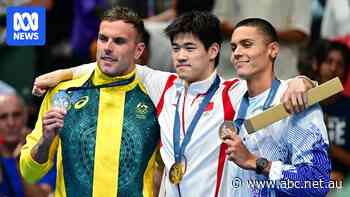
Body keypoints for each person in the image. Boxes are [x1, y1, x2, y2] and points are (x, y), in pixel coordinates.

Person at [32, 12, 315, 196]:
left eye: (190, 48)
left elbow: (277, 86)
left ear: (213, 51)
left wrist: (302, 81)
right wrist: (61, 74)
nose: (180, 56)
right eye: (176, 48)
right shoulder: (162, 85)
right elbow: (111, 62)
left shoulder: (233, 91)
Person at [20, 6, 160, 197]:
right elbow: (29, 173)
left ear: (138, 51)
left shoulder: (156, 97)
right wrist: (46, 141)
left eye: (119, 41)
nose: (107, 47)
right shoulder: (63, 93)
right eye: (103, 38)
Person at [222, 18, 330, 196]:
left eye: (247, 44)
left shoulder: (294, 100)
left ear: (272, 50)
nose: (237, 53)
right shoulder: (229, 97)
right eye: (234, 47)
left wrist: (255, 162)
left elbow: (317, 182)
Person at [0, 87, 55, 197]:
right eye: (3, 117)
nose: (11, 123)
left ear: (26, 116)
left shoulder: (44, 151)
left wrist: (20, 163)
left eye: (16, 115)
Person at [311, 40, 350, 182]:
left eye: (340, 64)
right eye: (329, 61)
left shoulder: (348, 108)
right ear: (317, 65)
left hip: (341, 182)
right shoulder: (302, 104)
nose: (333, 68)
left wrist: (329, 147)